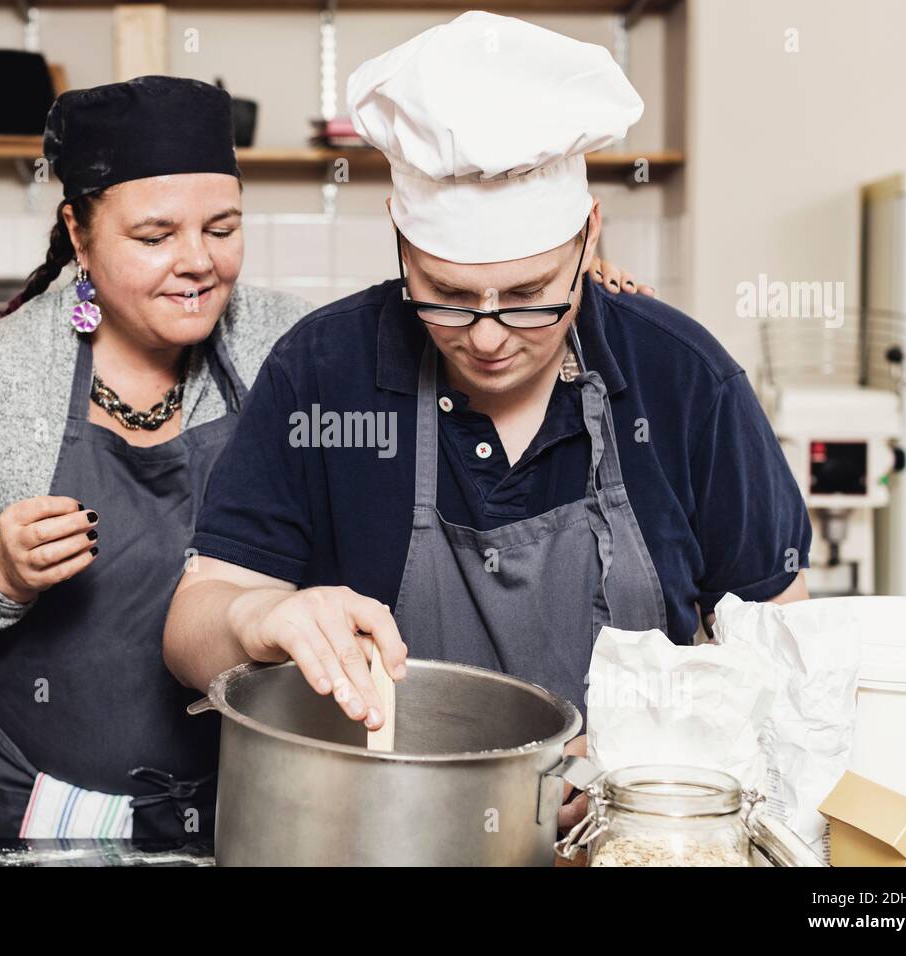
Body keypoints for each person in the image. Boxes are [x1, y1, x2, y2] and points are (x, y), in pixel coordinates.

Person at [162, 12, 812, 832]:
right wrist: (254, 618)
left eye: (534, 293)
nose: (491, 334)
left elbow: (781, 638)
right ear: (400, 242)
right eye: (450, 295)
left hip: (639, 842)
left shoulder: (682, 379)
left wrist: (670, 753)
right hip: (378, 837)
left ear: (589, 237)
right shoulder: (321, 374)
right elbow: (192, 629)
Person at [0, 77, 311, 839]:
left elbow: (427, 346)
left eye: (223, 228)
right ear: (79, 232)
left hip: (242, 798)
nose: (198, 261)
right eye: (155, 236)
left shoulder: (289, 347)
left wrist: (579, 312)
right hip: (23, 804)